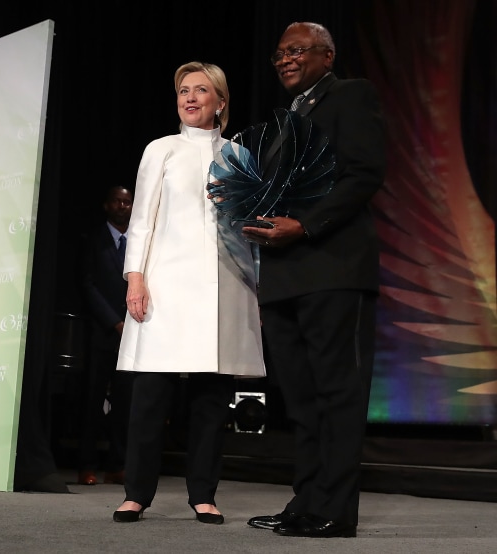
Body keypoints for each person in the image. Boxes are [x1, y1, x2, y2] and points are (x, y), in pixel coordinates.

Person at [242, 22, 386, 538]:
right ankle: (305, 501)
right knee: (300, 400)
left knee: (337, 394)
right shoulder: (284, 121)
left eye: (296, 51)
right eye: (278, 53)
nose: (284, 59)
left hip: (333, 269)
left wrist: (305, 225)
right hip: (283, 276)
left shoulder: (350, 96)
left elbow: (364, 173)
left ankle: (336, 511)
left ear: (327, 55)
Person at [112, 61, 266, 525]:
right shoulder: (162, 149)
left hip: (224, 287)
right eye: (184, 90)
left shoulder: (240, 155)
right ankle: (136, 493)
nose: (191, 98)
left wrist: (256, 288)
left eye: (202, 90)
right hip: (166, 284)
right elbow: (141, 219)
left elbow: (246, 231)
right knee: (150, 396)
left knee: (211, 399)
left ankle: (204, 493)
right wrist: (135, 276)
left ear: (220, 101)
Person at [77, 185, 135, 486]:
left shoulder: (139, 241)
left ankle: (117, 465)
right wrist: (114, 322)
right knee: (93, 401)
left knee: (125, 403)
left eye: (127, 201)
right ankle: (86, 465)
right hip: (102, 333)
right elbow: (88, 286)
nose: (123, 206)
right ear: (106, 205)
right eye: (117, 201)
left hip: (133, 334)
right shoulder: (93, 239)